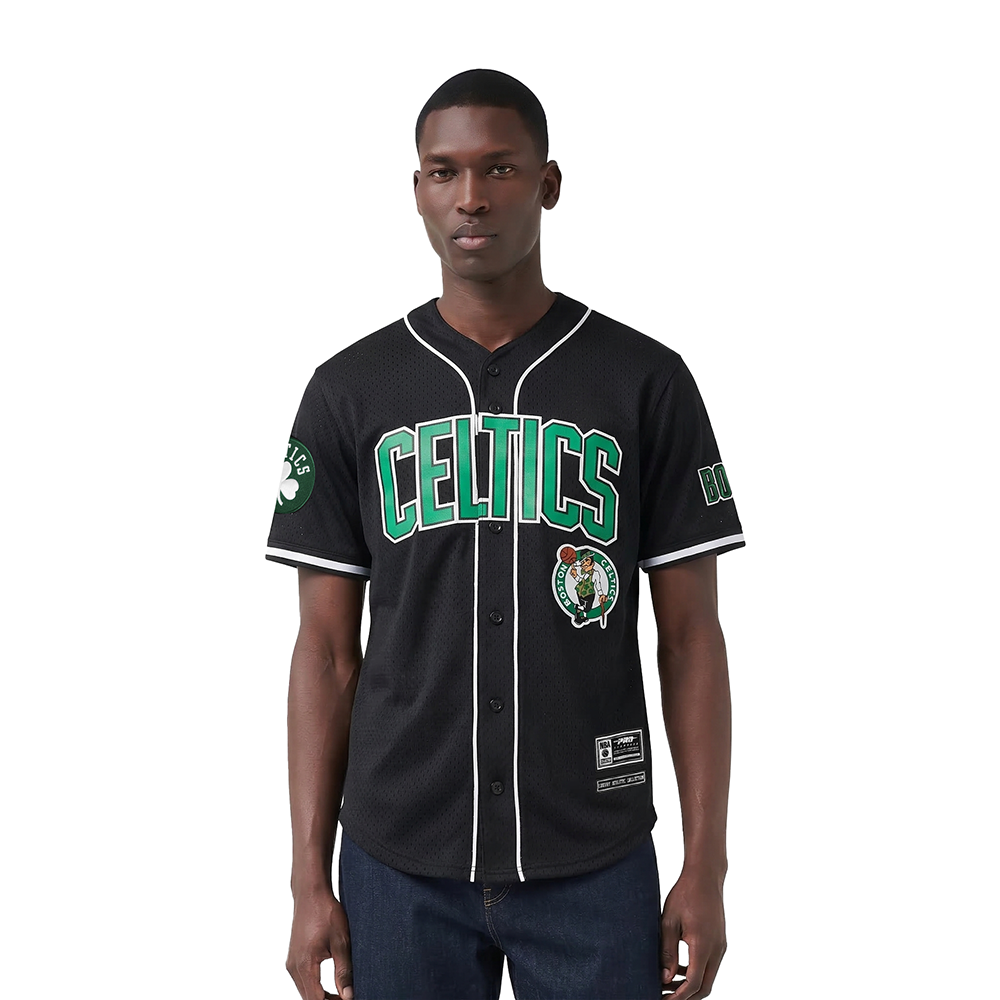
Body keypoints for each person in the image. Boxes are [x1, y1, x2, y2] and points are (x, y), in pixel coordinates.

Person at [266, 68, 744, 1000]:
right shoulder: (349, 390)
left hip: (594, 853)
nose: (471, 197)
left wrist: (707, 866)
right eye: (443, 172)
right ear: (416, 190)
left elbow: (692, 638)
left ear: (548, 183)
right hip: (398, 862)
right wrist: (306, 881)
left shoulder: (644, 381)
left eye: (499, 168)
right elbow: (324, 653)